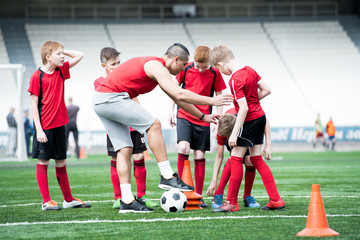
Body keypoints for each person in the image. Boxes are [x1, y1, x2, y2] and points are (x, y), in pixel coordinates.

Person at [93, 43, 232, 213]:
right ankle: (167, 175)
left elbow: (179, 99)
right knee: (154, 124)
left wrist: (203, 117)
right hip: (111, 98)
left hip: (101, 100)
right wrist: (212, 101)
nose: (183, 69)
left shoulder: (157, 68)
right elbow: (180, 93)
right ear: (175, 59)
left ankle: (127, 200)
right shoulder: (156, 66)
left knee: (125, 148)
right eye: (183, 65)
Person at [210, 45, 285, 212]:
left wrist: (234, 133)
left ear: (221, 63)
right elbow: (267, 90)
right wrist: (253, 101)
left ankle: (231, 202)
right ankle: (276, 199)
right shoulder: (250, 70)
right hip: (261, 117)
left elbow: (243, 109)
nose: (223, 73)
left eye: (220, 70)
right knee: (256, 158)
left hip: (249, 120)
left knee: (236, 157)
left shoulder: (235, 79)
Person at [28, 40, 91, 211]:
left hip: (60, 125)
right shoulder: (37, 76)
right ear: (48, 57)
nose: (62, 56)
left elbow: (80, 55)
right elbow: (33, 104)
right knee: (43, 161)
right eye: (58, 54)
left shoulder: (61, 70)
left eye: (63, 53)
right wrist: (38, 129)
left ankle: (68, 200)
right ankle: (46, 201)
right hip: (45, 127)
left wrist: (61, 50)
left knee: (61, 161)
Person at [94, 47, 159, 209]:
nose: (117, 66)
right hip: (116, 127)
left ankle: (142, 196)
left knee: (139, 158)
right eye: (113, 64)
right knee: (117, 159)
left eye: (119, 63)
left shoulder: (125, 78)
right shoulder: (100, 82)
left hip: (133, 126)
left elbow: (135, 99)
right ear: (104, 66)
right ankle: (119, 197)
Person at [169, 46, 227, 208]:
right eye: (198, 66)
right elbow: (174, 91)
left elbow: (219, 95)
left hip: (204, 118)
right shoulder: (186, 69)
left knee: (200, 155)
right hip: (185, 114)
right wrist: (171, 110)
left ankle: (198, 196)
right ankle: (181, 191)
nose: (201, 70)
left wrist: (219, 117)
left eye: (204, 67)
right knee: (183, 148)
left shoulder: (215, 73)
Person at [207, 108, 272, 209]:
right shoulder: (223, 128)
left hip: (247, 131)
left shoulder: (246, 117)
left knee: (249, 160)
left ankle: (247, 196)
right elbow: (219, 156)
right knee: (234, 157)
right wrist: (213, 181)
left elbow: (265, 120)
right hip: (235, 131)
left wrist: (268, 144)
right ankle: (218, 194)